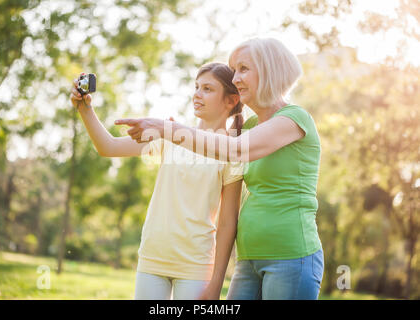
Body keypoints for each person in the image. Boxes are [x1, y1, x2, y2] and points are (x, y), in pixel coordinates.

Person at [116, 37, 324, 300]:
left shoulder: (295, 118)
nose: (236, 78)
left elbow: (237, 150)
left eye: (244, 69)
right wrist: (169, 134)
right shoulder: (246, 129)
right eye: (234, 70)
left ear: (270, 70)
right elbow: (210, 144)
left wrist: (165, 129)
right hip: (248, 258)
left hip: (291, 257)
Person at [70, 63, 244, 300]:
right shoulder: (170, 134)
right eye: (196, 87)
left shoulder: (231, 151)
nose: (196, 94)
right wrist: (84, 108)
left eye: (207, 89)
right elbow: (108, 147)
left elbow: (227, 224)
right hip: (152, 256)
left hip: (196, 264)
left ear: (231, 100)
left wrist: (216, 283)